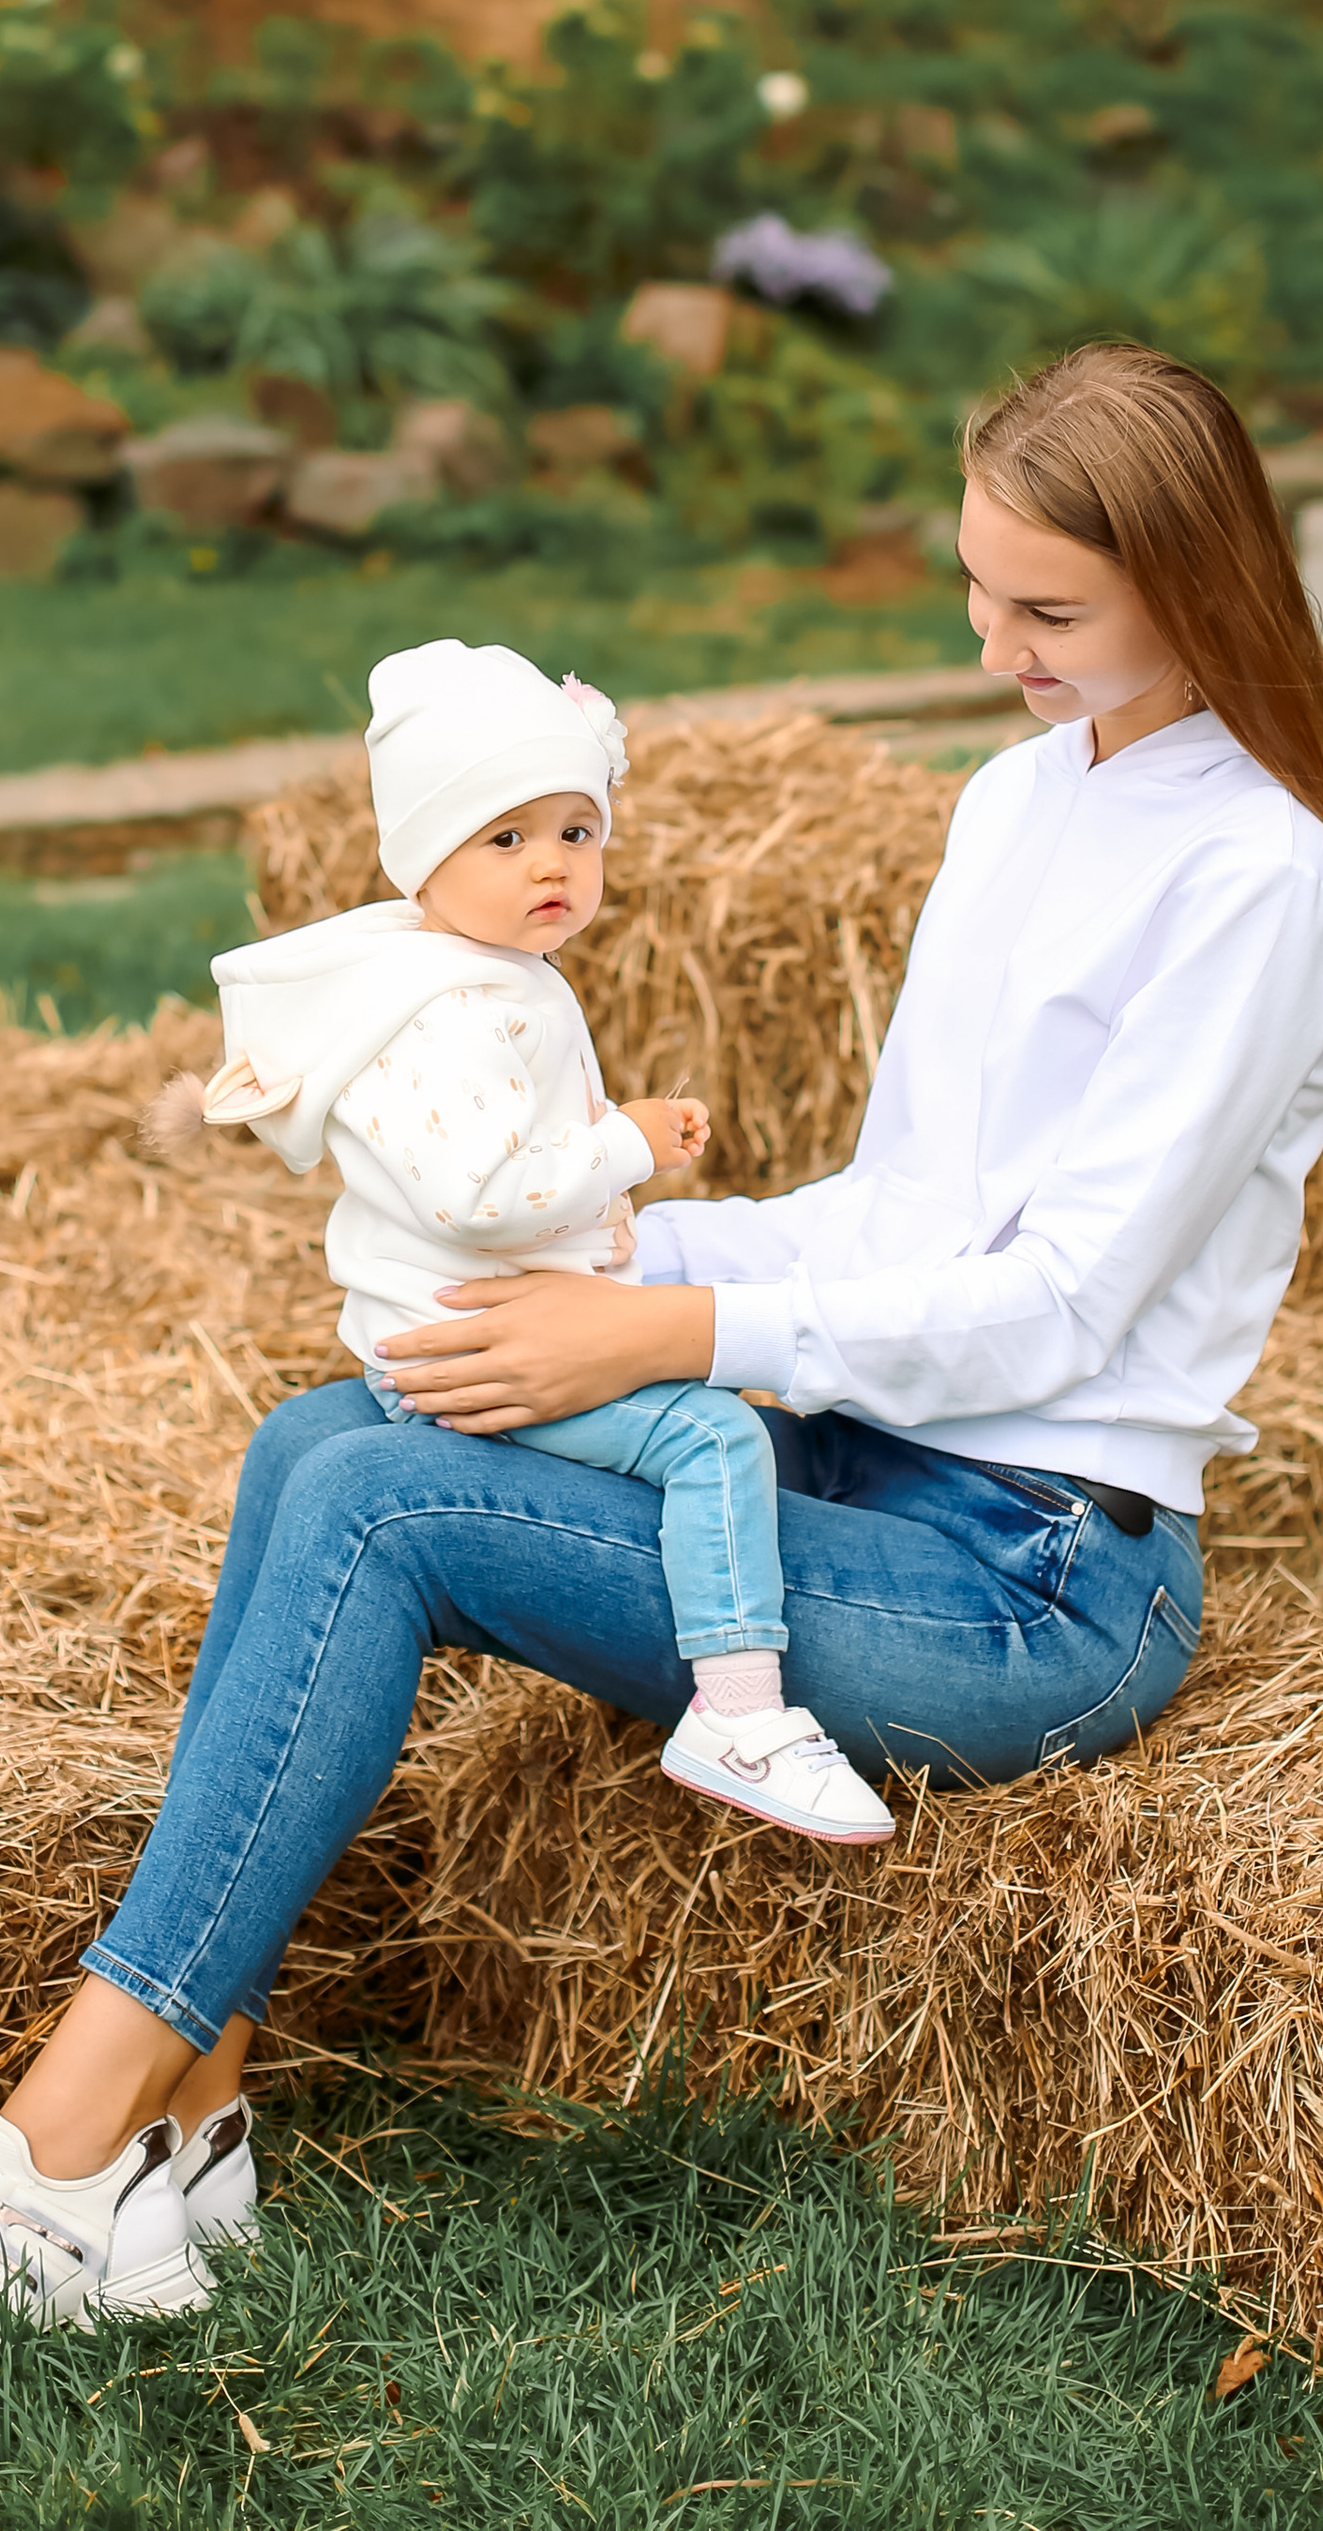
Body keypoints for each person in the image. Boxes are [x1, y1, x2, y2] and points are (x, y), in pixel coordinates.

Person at [0, 338, 1323, 2384]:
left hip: (1034, 1574)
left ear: (1197, 581)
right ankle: (180, 2148)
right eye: (972, 588)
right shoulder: (1012, 799)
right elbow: (895, 1221)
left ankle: (48, 2154)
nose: (990, 641)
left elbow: (1056, 1310)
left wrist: (666, 1327)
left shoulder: (1259, 877)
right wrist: (566, 1258)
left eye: (1045, 609)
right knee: (327, 1430)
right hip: (851, 1464)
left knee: (380, 1505)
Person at [160, 638, 892, 1849]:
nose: (551, 863)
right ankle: (740, 1711)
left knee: (696, 1408)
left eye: (575, 832)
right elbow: (479, 1195)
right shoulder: (458, 1008)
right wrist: (626, 1146)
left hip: (463, 1326)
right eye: (505, 839)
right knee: (713, 1436)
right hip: (468, 1348)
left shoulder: (483, 973)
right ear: (425, 858)